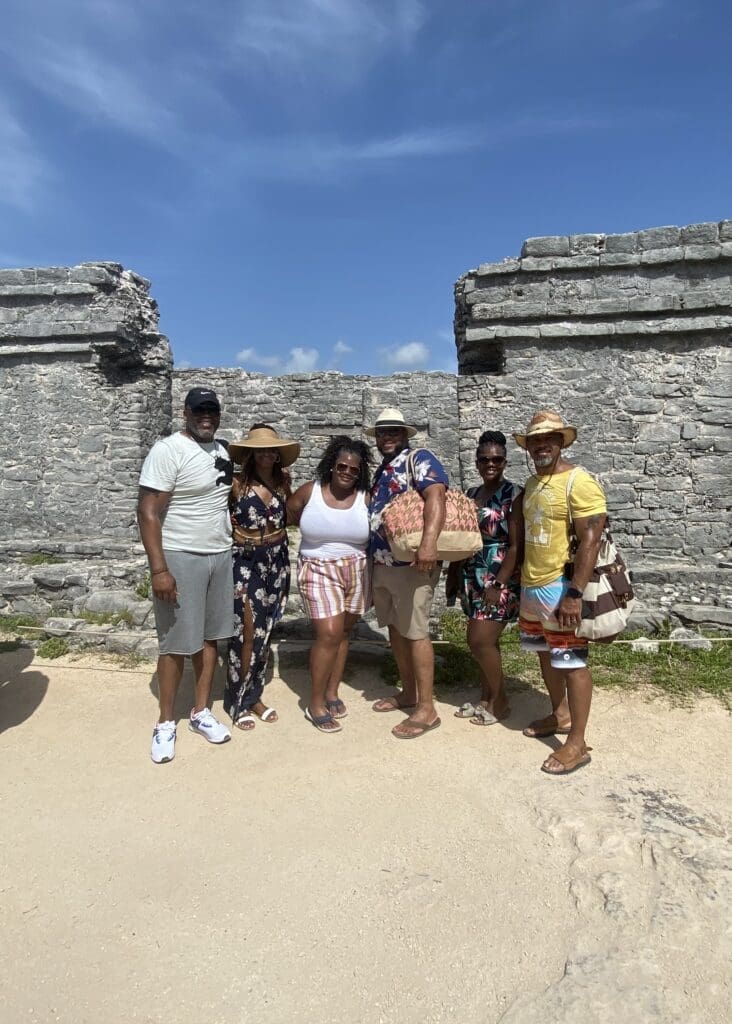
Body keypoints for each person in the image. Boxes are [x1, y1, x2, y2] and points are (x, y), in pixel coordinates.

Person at [138, 387, 234, 764]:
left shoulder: (222, 450)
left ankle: (200, 711)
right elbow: (148, 512)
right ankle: (165, 722)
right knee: (175, 643)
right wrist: (159, 568)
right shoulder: (168, 450)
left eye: (212, 410)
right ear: (186, 412)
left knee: (210, 639)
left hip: (219, 554)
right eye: (199, 410)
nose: (206, 416)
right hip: (181, 555)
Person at [513, 410, 607, 775]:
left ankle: (578, 743)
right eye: (535, 440)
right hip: (532, 587)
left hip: (559, 587)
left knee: (572, 663)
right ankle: (562, 714)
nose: (541, 446)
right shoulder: (533, 484)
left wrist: (574, 593)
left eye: (548, 439)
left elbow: (591, 539)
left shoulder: (578, 481)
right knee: (545, 655)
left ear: (561, 442)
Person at [367, 407, 447, 739]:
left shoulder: (420, 458)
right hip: (385, 563)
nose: (387, 437)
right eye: (382, 432)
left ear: (404, 435)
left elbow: (436, 496)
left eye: (393, 432)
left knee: (415, 632)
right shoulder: (383, 469)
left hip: (413, 564)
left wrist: (429, 544)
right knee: (397, 631)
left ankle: (427, 709)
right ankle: (409, 692)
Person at [287, 436, 371, 733]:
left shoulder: (365, 498)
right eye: (342, 466)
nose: (347, 472)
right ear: (331, 466)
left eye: (354, 469)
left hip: (357, 569)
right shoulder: (311, 492)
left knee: (345, 631)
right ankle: (315, 703)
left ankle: (332, 691)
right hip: (318, 568)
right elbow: (290, 511)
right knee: (329, 633)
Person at [224, 424, 300, 731]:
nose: (267, 454)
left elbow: (291, 516)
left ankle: (254, 695)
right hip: (245, 562)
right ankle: (237, 700)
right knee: (246, 631)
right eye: (260, 450)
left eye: (272, 449)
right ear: (250, 454)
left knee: (266, 631)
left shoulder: (284, 481)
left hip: (276, 560)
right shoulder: (236, 484)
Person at [447, 430, 523, 726]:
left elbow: (517, 546)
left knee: (478, 640)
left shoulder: (514, 495)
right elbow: (460, 538)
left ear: (505, 462)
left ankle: (500, 700)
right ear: (477, 462)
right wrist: (452, 575)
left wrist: (500, 583)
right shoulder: (470, 495)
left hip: (499, 575)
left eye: (497, 459)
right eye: (484, 459)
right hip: (470, 575)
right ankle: (486, 697)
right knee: (487, 643)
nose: (491, 464)